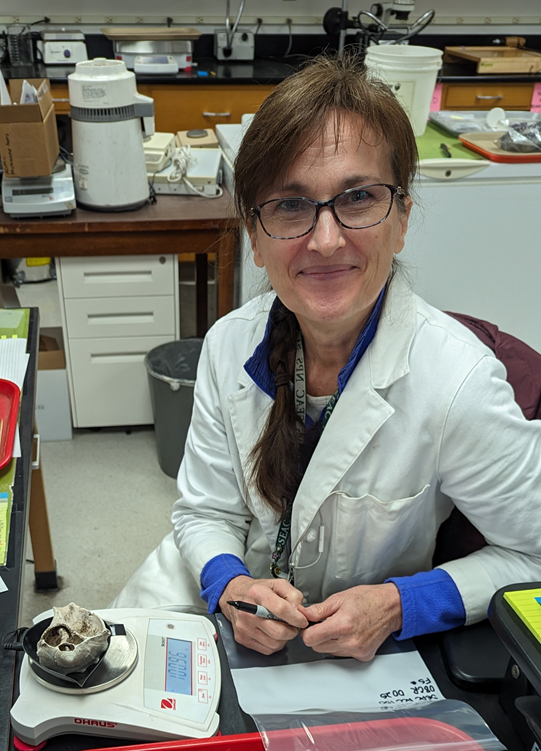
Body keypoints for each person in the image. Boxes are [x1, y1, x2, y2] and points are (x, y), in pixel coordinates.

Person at [113, 55, 541, 658]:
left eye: (358, 198)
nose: (326, 239)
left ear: (401, 220)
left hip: (362, 641)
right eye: (291, 205)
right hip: (231, 597)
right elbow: (205, 510)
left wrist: (403, 604)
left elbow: (534, 552)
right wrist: (228, 583)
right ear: (255, 238)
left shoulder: (457, 383)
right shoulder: (229, 345)